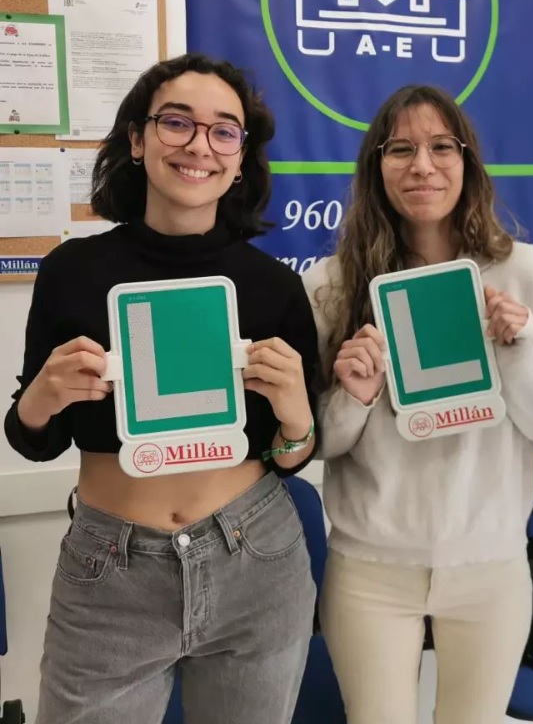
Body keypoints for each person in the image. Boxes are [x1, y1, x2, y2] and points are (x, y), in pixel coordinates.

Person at [4, 54, 320, 724]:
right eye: (177, 123)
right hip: (110, 568)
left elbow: (293, 454)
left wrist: (296, 417)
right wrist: (43, 396)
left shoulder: (275, 287)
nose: (199, 144)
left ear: (240, 158)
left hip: (256, 559)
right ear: (138, 140)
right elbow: (33, 439)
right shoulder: (72, 271)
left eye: (224, 131)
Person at [302, 84, 533, 724]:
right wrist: (352, 396)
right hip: (370, 568)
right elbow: (317, 442)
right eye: (400, 149)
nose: (422, 166)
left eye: (440, 147)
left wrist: (518, 349)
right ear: (376, 166)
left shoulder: (528, 274)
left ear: (468, 162)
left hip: (491, 567)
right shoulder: (329, 284)